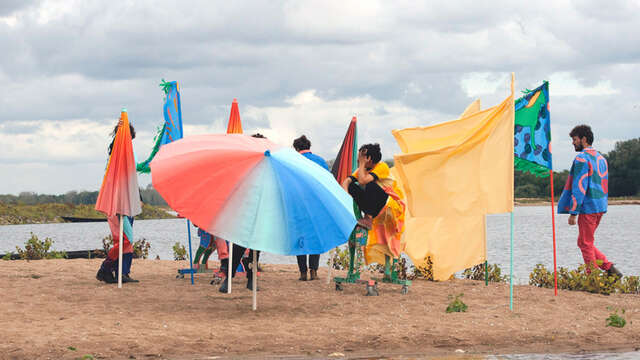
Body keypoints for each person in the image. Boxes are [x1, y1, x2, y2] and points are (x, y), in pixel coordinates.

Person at [341, 143, 406, 295]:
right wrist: (346, 197)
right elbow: (346, 182)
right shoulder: (362, 171)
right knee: (353, 186)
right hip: (375, 206)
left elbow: (363, 181)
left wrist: (362, 165)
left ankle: (368, 218)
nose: (358, 160)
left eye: (361, 157)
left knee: (370, 185)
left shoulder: (381, 167)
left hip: (389, 206)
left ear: (369, 158)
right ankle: (366, 216)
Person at [557, 125, 622, 277]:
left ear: (583, 139)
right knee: (584, 242)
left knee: (585, 243)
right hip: (600, 206)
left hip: (588, 208)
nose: (573, 143)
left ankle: (592, 278)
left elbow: (579, 186)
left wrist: (573, 212)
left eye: (574, 139)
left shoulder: (581, 158)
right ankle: (610, 269)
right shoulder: (601, 158)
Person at [218, 133, 266, 293]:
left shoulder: (268, 166)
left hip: (260, 211)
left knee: (256, 248)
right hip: (243, 211)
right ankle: (228, 278)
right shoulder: (245, 163)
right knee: (237, 246)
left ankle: (251, 278)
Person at [96, 121, 140, 284]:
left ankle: (119, 272)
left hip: (125, 203)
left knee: (126, 241)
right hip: (116, 204)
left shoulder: (123, 156)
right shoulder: (117, 155)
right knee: (125, 241)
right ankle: (105, 269)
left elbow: (130, 180)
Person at [292, 135, 329, 281]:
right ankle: (314, 271)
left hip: (299, 205)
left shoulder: (294, 161)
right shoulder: (321, 161)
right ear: (309, 147)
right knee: (316, 237)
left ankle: (303, 272)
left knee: (300, 237)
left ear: (296, 148)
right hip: (317, 205)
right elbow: (327, 182)